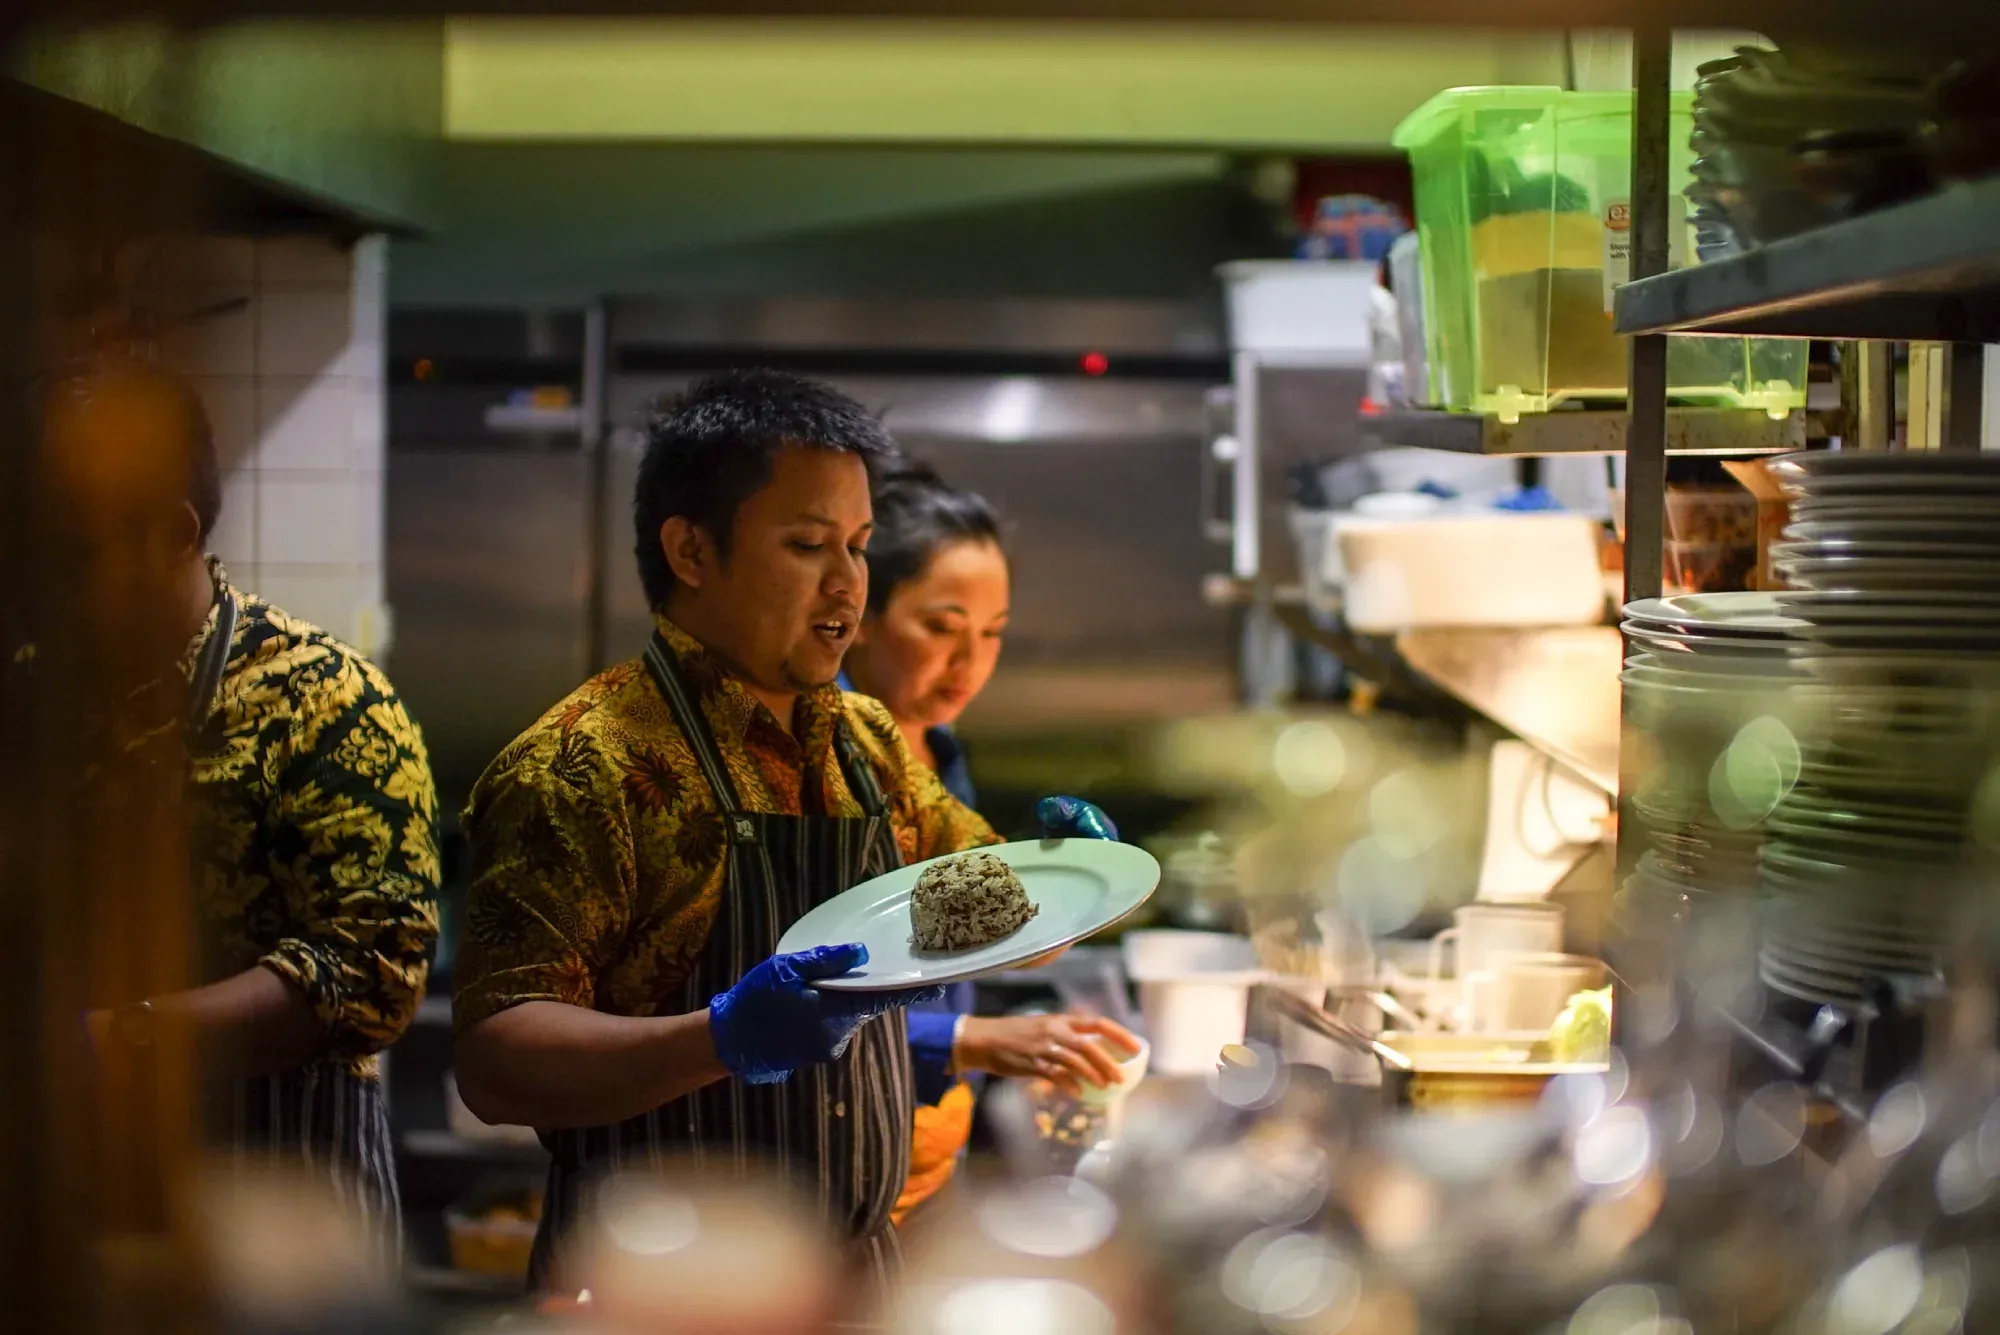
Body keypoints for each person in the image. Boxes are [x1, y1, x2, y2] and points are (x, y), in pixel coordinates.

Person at [451, 370, 1118, 1291]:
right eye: (808, 545)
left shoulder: (863, 741)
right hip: (659, 1293)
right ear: (690, 550)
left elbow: (978, 913)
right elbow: (495, 1063)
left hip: (855, 1277)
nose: (848, 581)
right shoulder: (582, 764)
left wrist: (1073, 880)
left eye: (858, 544)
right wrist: (719, 1038)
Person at [45, 360, 440, 1244]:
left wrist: (114, 1042)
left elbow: (373, 970)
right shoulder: (32, 700)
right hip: (70, 1187)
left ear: (176, 532)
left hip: (281, 1187)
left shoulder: (329, 702)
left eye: (72, 557)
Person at [838, 461, 1138, 1224]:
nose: (969, 662)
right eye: (941, 628)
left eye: (992, 634)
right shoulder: (823, 760)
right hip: (830, 1158)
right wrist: (970, 1037)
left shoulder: (941, 749)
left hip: (925, 1146)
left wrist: (1072, 892)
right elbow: (807, 985)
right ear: (860, 610)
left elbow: (950, 934)